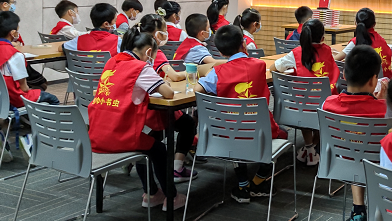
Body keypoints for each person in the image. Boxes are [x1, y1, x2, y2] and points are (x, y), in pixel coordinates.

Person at [87, 31, 186, 211]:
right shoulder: (140, 67)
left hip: (96, 134)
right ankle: (171, 197)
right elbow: (169, 93)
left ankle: (151, 194)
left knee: (150, 141)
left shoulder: (112, 62)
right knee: (158, 149)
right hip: (119, 136)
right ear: (148, 52)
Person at [194, 25, 284, 204]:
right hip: (260, 130)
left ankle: (243, 185)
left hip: (228, 132)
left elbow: (198, 90)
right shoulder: (259, 65)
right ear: (243, 44)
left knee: (235, 139)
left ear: (220, 51)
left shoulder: (217, 72)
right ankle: (257, 182)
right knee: (282, 134)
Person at [0, 11, 60, 162]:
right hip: (13, 99)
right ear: (13, 33)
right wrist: (33, 91)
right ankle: (32, 138)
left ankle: (2, 134)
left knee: (19, 103)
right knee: (51, 99)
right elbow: (24, 88)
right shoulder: (15, 55)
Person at [125, 17, 198, 182]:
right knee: (186, 123)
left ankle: (135, 160)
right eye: (164, 31)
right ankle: (176, 168)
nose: (166, 34)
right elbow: (173, 79)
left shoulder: (126, 55)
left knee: (158, 133)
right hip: (151, 109)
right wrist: (194, 72)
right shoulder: (152, 54)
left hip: (132, 111)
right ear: (156, 34)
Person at [321, 45, 388, 221]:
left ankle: (358, 210)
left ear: (344, 75)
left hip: (342, 162)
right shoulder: (386, 110)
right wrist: (381, 102)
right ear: (374, 81)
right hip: (378, 167)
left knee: (356, 147)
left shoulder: (328, 104)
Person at [270, 18, 340, 166]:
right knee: (317, 104)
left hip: (300, 109)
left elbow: (273, 68)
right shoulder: (328, 51)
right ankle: (313, 146)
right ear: (322, 38)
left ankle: (309, 147)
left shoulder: (296, 54)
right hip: (326, 107)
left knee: (303, 102)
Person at [0, 0, 48, 89]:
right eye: (12, 2)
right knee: (40, 83)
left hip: (0, 56)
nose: (13, 5)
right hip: (6, 57)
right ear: (4, 4)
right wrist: (13, 44)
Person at [334, 8, 392, 81]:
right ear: (374, 24)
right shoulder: (382, 40)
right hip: (385, 82)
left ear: (356, 23)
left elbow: (335, 60)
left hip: (364, 84)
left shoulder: (355, 42)